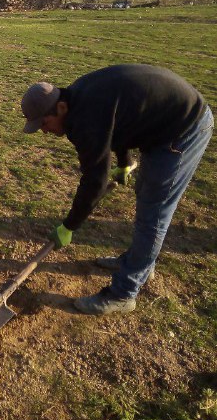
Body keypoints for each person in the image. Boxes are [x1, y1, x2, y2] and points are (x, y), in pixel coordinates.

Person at [20, 64, 213, 316]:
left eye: (44, 123)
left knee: (154, 212)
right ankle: (139, 261)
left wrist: (69, 226)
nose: (44, 131)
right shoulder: (78, 98)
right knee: (145, 194)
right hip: (162, 123)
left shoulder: (84, 118)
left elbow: (95, 181)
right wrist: (123, 163)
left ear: (61, 108)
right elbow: (118, 125)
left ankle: (124, 293)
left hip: (184, 128)